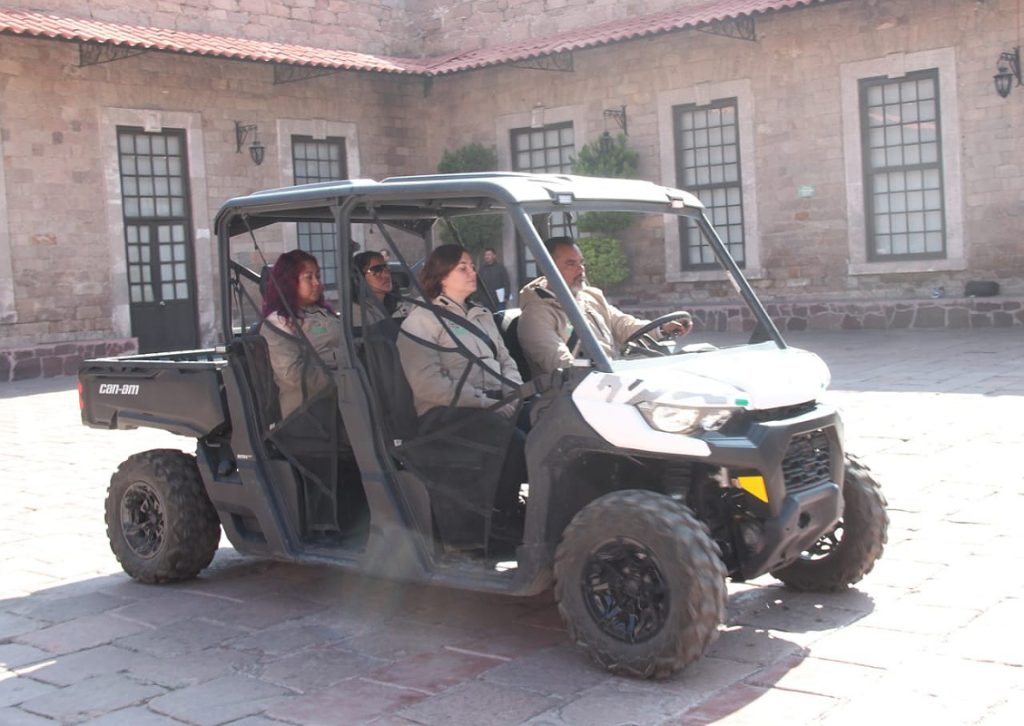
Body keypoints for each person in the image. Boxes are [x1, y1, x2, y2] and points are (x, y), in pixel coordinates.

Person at [396, 244, 525, 537]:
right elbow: (429, 385)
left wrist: (513, 395)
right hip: (447, 413)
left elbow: (505, 361)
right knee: (515, 442)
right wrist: (487, 403)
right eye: (462, 268)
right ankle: (498, 518)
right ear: (442, 276)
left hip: (495, 404)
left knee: (546, 423)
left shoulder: (481, 314)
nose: (472, 272)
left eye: (472, 266)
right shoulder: (421, 320)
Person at [517, 236, 692, 377]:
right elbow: (561, 365)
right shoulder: (536, 315)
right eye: (571, 264)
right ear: (547, 268)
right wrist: (601, 369)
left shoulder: (590, 296)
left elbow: (623, 325)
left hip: (610, 377)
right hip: (572, 394)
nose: (581, 269)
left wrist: (662, 329)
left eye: (581, 263)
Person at [260, 249, 343, 419]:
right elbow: (292, 373)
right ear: (289, 281)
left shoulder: (324, 313)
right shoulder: (279, 322)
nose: (317, 283)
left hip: (346, 399)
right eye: (308, 277)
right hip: (310, 410)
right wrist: (343, 381)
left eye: (318, 276)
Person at [351, 250, 409, 331]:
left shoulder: (399, 306)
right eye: (376, 270)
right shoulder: (356, 313)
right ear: (359, 278)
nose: (386, 275)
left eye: (386, 268)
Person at [477, 247, 512, 311]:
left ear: (494, 256)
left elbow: (506, 282)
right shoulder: (482, 269)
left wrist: (506, 295)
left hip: (499, 300)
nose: (487, 256)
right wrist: (479, 297)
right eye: (485, 255)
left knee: (500, 316)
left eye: (489, 255)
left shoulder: (500, 268)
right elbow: (479, 284)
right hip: (486, 300)